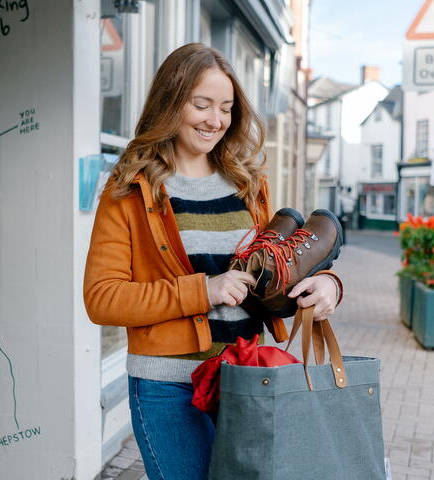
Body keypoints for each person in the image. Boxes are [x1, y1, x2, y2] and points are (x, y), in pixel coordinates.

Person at [83, 43, 343, 480]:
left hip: (243, 379)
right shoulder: (130, 190)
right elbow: (102, 299)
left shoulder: (246, 183)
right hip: (168, 388)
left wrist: (327, 285)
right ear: (170, 103)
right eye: (201, 105)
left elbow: (274, 269)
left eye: (225, 108)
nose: (215, 120)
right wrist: (205, 290)